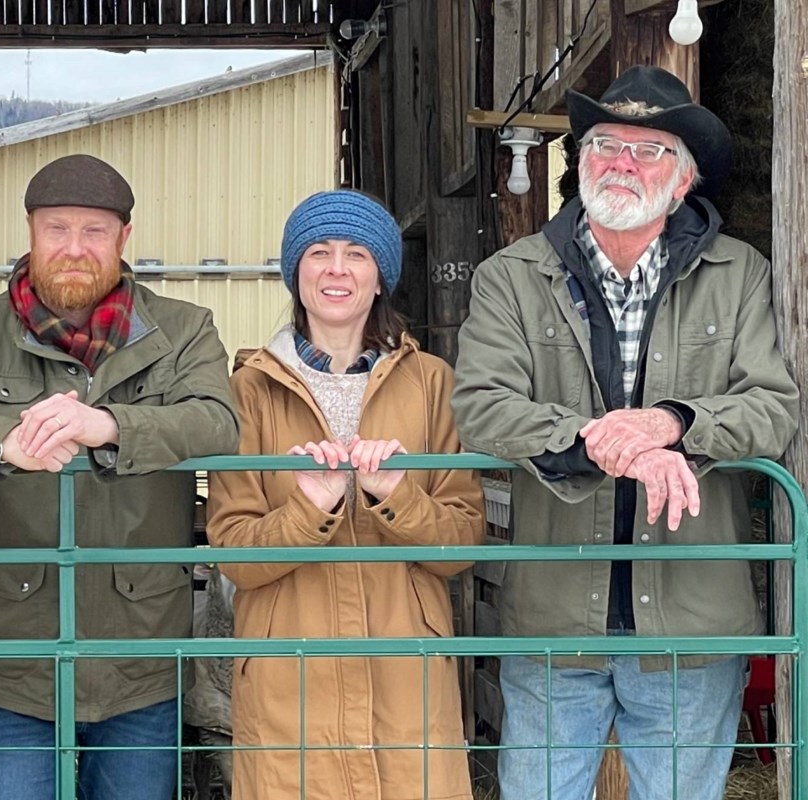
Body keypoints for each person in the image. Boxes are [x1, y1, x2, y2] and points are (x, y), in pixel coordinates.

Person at [451, 66, 800, 800]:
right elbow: (480, 404)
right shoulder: (511, 277)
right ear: (579, 163)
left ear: (683, 181)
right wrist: (596, 436)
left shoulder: (740, 275)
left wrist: (673, 422)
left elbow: (772, 406)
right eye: (605, 144)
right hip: (553, 622)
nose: (621, 163)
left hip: (694, 627)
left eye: (649, 151)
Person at [0, 154, 240, 800]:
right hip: (18, 650)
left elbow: (218, 421)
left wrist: (111, 427)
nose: (74, 248)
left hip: (142, 652)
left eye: (94, 232)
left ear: (125, 238)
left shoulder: (185, 330)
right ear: (30, 231)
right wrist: (1, 441)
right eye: (57, 229)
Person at [207, 190, 483, 800]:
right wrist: (310, 509)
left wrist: (394, 496)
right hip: (290, 671)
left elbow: (462, 542)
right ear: (295, 273)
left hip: (405, 663)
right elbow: (234, 553)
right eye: (318, 253)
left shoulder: (433, 383)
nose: (337, 268)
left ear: (381, 277)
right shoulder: (247, 390)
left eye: (356, 254)